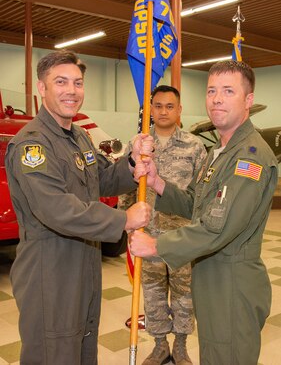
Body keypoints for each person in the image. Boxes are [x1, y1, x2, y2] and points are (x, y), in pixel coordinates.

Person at [5, 50, 153, 365]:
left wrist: (130, 165)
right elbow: (57, 209)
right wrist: (123, 219)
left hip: (84, 261)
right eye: (61, 82)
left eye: (78, 83)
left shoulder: (79, 138)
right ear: (41, 89)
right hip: (50, 267)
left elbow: (102, 179)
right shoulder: (33, 145)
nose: (72, 91)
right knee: (53, 352)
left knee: (83, 349)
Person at [130, 60, 278, 365]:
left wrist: (157, 245)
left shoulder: (248, 157)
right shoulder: (220, 153)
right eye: (211, 90)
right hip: (212, 278)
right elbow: (196, 205)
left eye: (228, 91)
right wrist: (157, 182)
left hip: (232, 282)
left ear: (248, 100)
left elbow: (217, 228)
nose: (217, 99)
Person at [119, 85, 206, 365]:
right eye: (158, 106)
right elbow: (126, 186)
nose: (163, 111)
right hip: (148, 236)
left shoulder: (195, 147)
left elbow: (201, 195)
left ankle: (180, 346)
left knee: (184, 295)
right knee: (153, 294)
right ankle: (159, 346)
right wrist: (128, 224)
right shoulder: (140, 143)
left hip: (183, 238)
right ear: (150, 110)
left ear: (179, 110)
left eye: (170, 106)